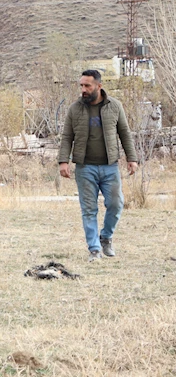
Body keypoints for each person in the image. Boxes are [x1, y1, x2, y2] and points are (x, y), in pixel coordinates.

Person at [58, 69, 138, 262]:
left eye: (88, 86)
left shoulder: (114, 106)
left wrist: (131, 158)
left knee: (116, 204)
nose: (83, 90)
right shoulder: (75, 109)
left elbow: (125, 133)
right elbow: (67, 136)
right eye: (81, 86)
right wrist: (63, 161)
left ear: (99, 86)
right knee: (88, 209)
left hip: (110, 166)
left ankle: (106, 238)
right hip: (85, 167)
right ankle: (94, 249)